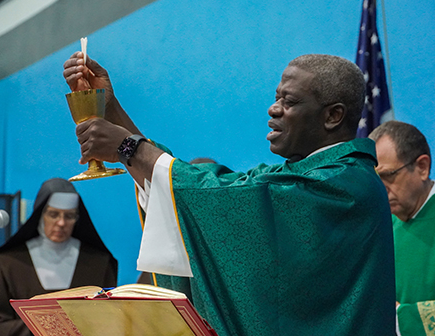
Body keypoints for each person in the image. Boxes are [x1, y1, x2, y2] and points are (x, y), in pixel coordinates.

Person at [63, 52, 395, 335]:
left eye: (289, 101)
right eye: (277, 97)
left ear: (333, 116)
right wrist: (109, 108)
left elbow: (214, 197)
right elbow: (199, 189)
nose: (273, 109)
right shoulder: (292, 175)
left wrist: (126, 146)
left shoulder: (344, 184)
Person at [0, 178, 118, 336]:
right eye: (53, 214)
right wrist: (43, 328)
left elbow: (112, 321)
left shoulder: (98, 263)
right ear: (40, 214)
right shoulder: (11, 262)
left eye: (69, 216)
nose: (61, 223)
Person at [369, 120, 435, 335]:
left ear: (422, 167)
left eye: (388, 176)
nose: (381, 189)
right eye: (374, 179)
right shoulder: (383, 228)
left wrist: (402, 318)